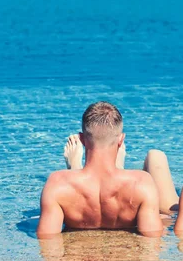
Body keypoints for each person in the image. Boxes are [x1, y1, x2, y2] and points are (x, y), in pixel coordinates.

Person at [36, 101, 164, 238]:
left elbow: (46, 239)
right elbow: (152, 238)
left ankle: (74, 167)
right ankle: (117, 164)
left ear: (81, 139)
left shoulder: (57, 183)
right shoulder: (141, 182)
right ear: (121, 140)